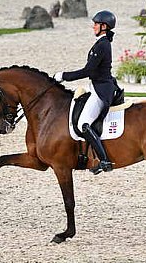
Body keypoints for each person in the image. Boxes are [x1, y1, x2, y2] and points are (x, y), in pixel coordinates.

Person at [54, 10, 117, 174]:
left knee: (83, 124)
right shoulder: (100, 43)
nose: (93, 26)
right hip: (96, 85)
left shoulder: (102, 45)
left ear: (104, 27)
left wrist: (64, 76)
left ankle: (104, 161)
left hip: (101, 89)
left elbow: (88, 70)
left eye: (96, 24)